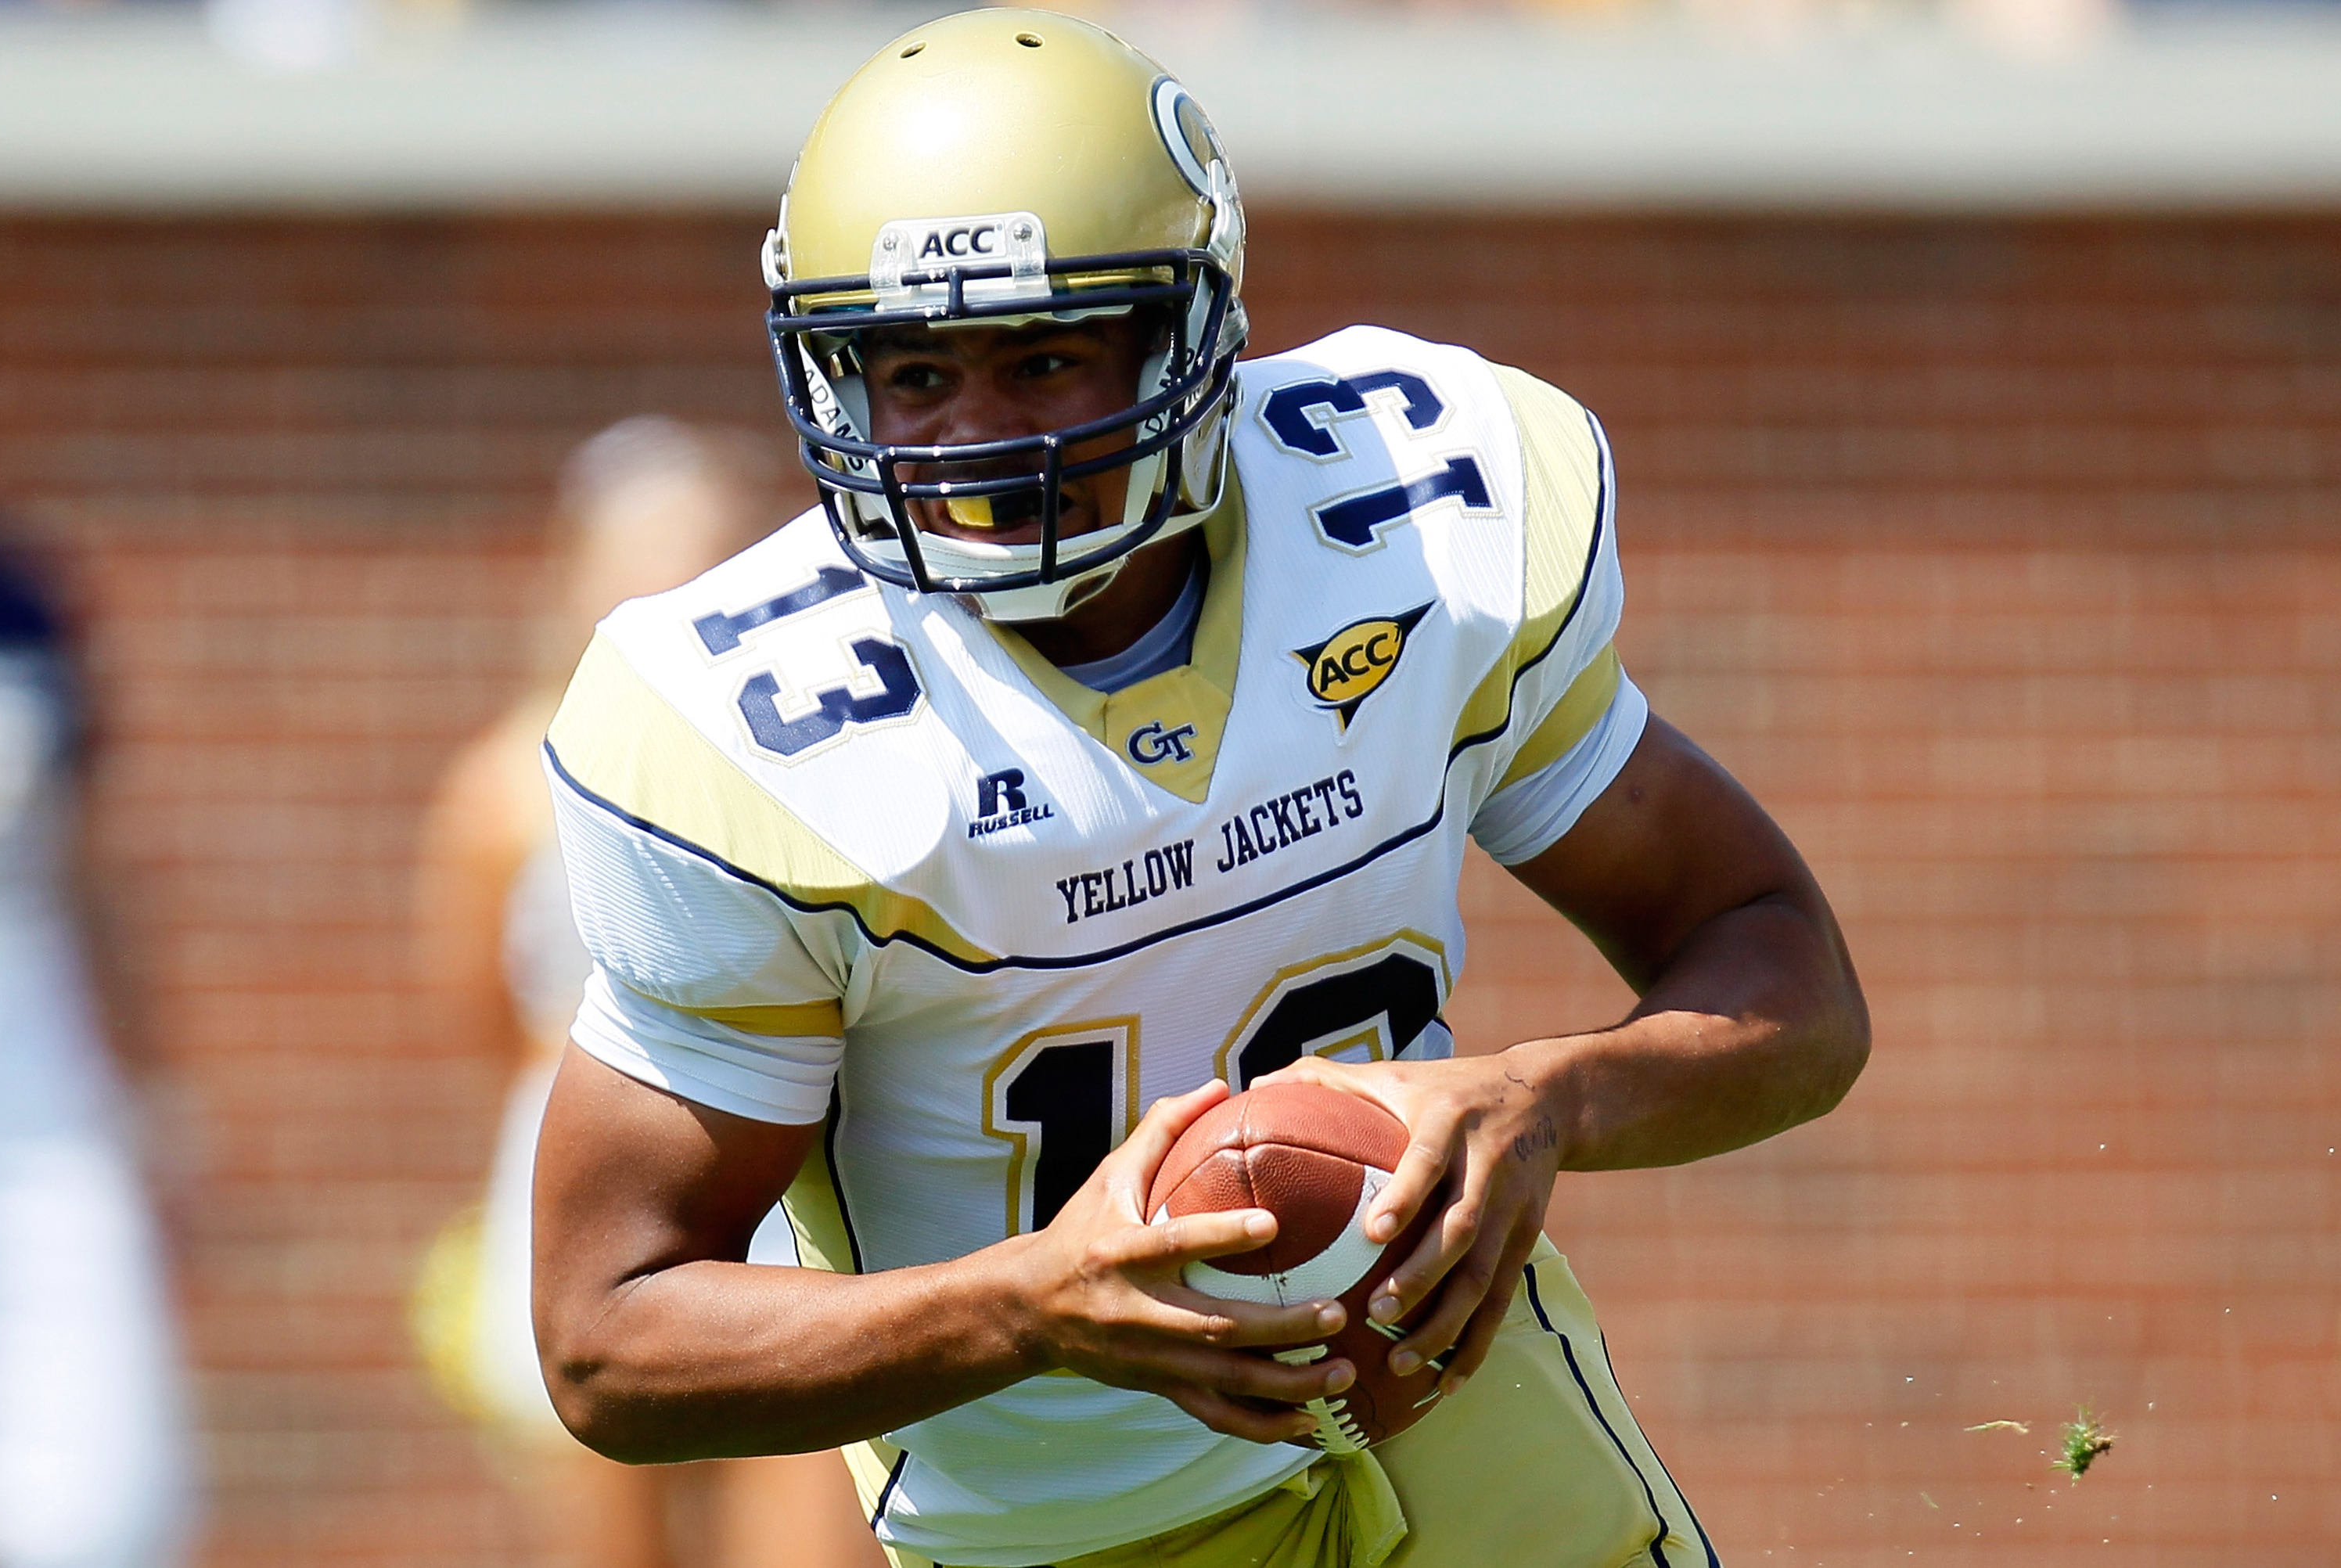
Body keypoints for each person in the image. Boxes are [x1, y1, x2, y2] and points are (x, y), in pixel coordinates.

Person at [528, 12, 1871, 1567]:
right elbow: (605, 1336)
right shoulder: (746, 731)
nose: (974, 444)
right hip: (1081, 1531)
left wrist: (1549, 1097)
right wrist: (1029, 1306)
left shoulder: (1420, 519)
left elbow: (1787, 970)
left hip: (1470, 1412)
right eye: (913, 372)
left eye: (1041, 356)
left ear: (1188, 335)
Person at [411, 419, 883, 1568]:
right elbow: (477, 1010)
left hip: (788, 1194)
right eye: (642, 553)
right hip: (591, 1190)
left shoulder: (840, 772)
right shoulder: (502, 789)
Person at [0, 524, 197, 1568]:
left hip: (37, 1074)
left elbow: (88, 873)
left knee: (103, 1498)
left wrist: (156, 1103)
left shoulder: (21, 600)